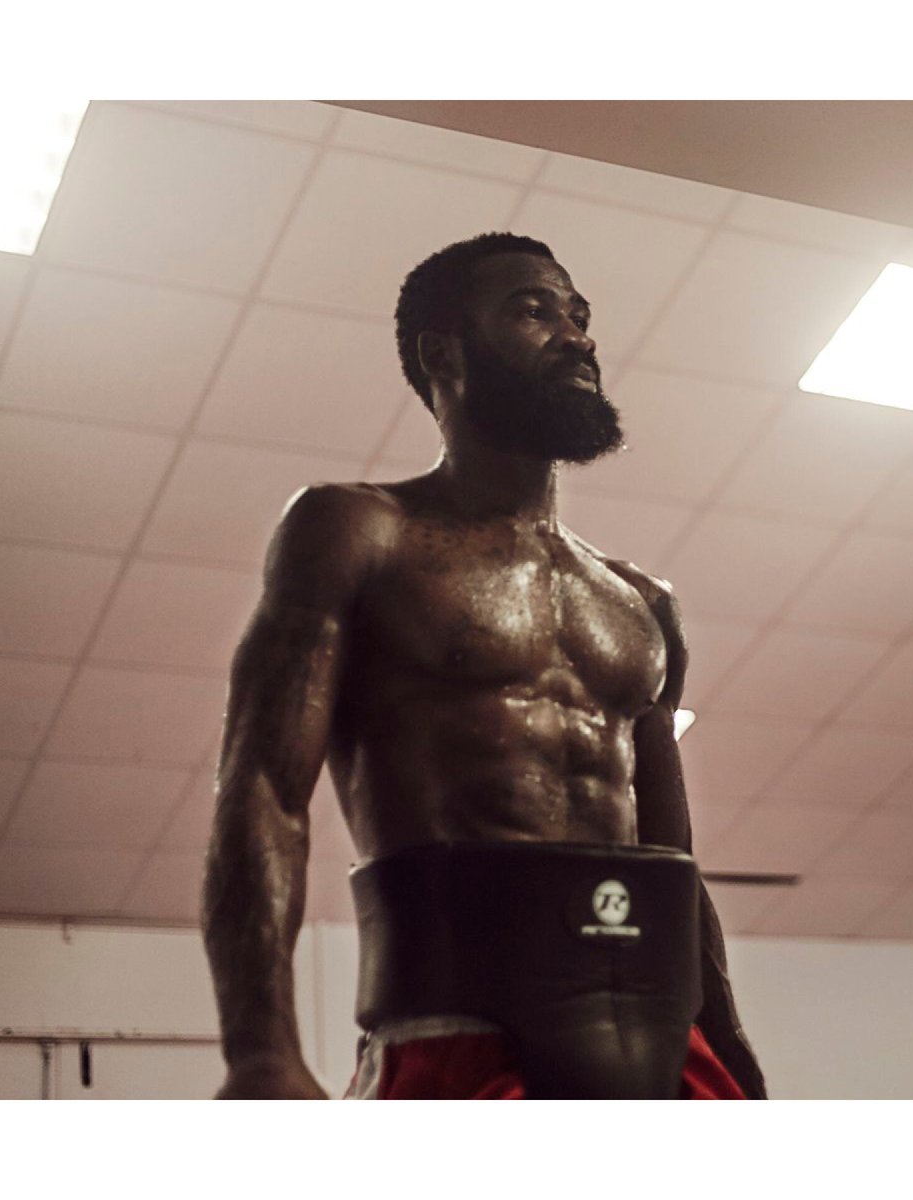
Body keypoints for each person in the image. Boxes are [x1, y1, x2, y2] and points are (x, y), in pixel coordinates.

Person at [201, 232, 766, 1100]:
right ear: (444, 354)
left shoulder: (641, 604)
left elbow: (670, 862)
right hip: (458, 1031)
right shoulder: (360, 531)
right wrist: (259, 1052)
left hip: (664, 1038)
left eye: (579, 315)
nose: (576, 336)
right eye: (534, 311)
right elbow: (264, 791)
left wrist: (727, 1040)